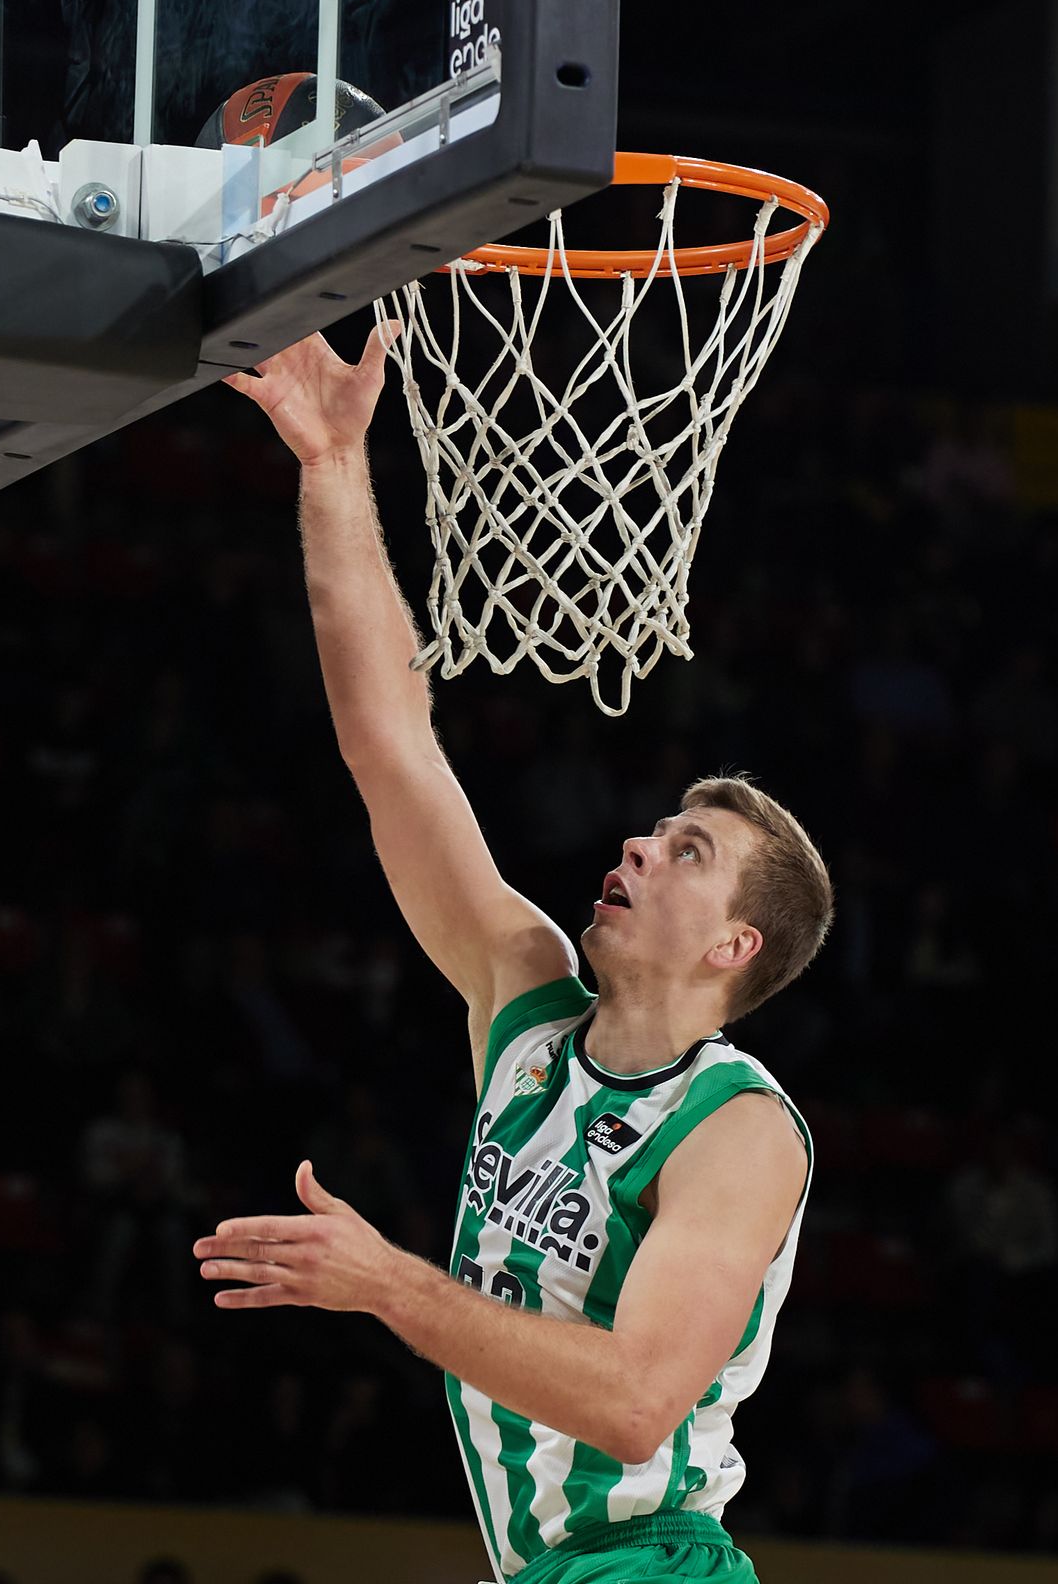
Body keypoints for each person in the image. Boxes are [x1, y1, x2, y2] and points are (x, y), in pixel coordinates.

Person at [194, 327, 834, 1584]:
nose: (639, 846)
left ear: (733, 944)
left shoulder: (737, 1129)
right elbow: (390, 748)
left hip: (648, 1565)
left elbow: (637, 1401)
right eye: (654, 830)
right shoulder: (525, 999)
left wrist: (387, 1283)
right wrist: (332, 463)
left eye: (687, 852)